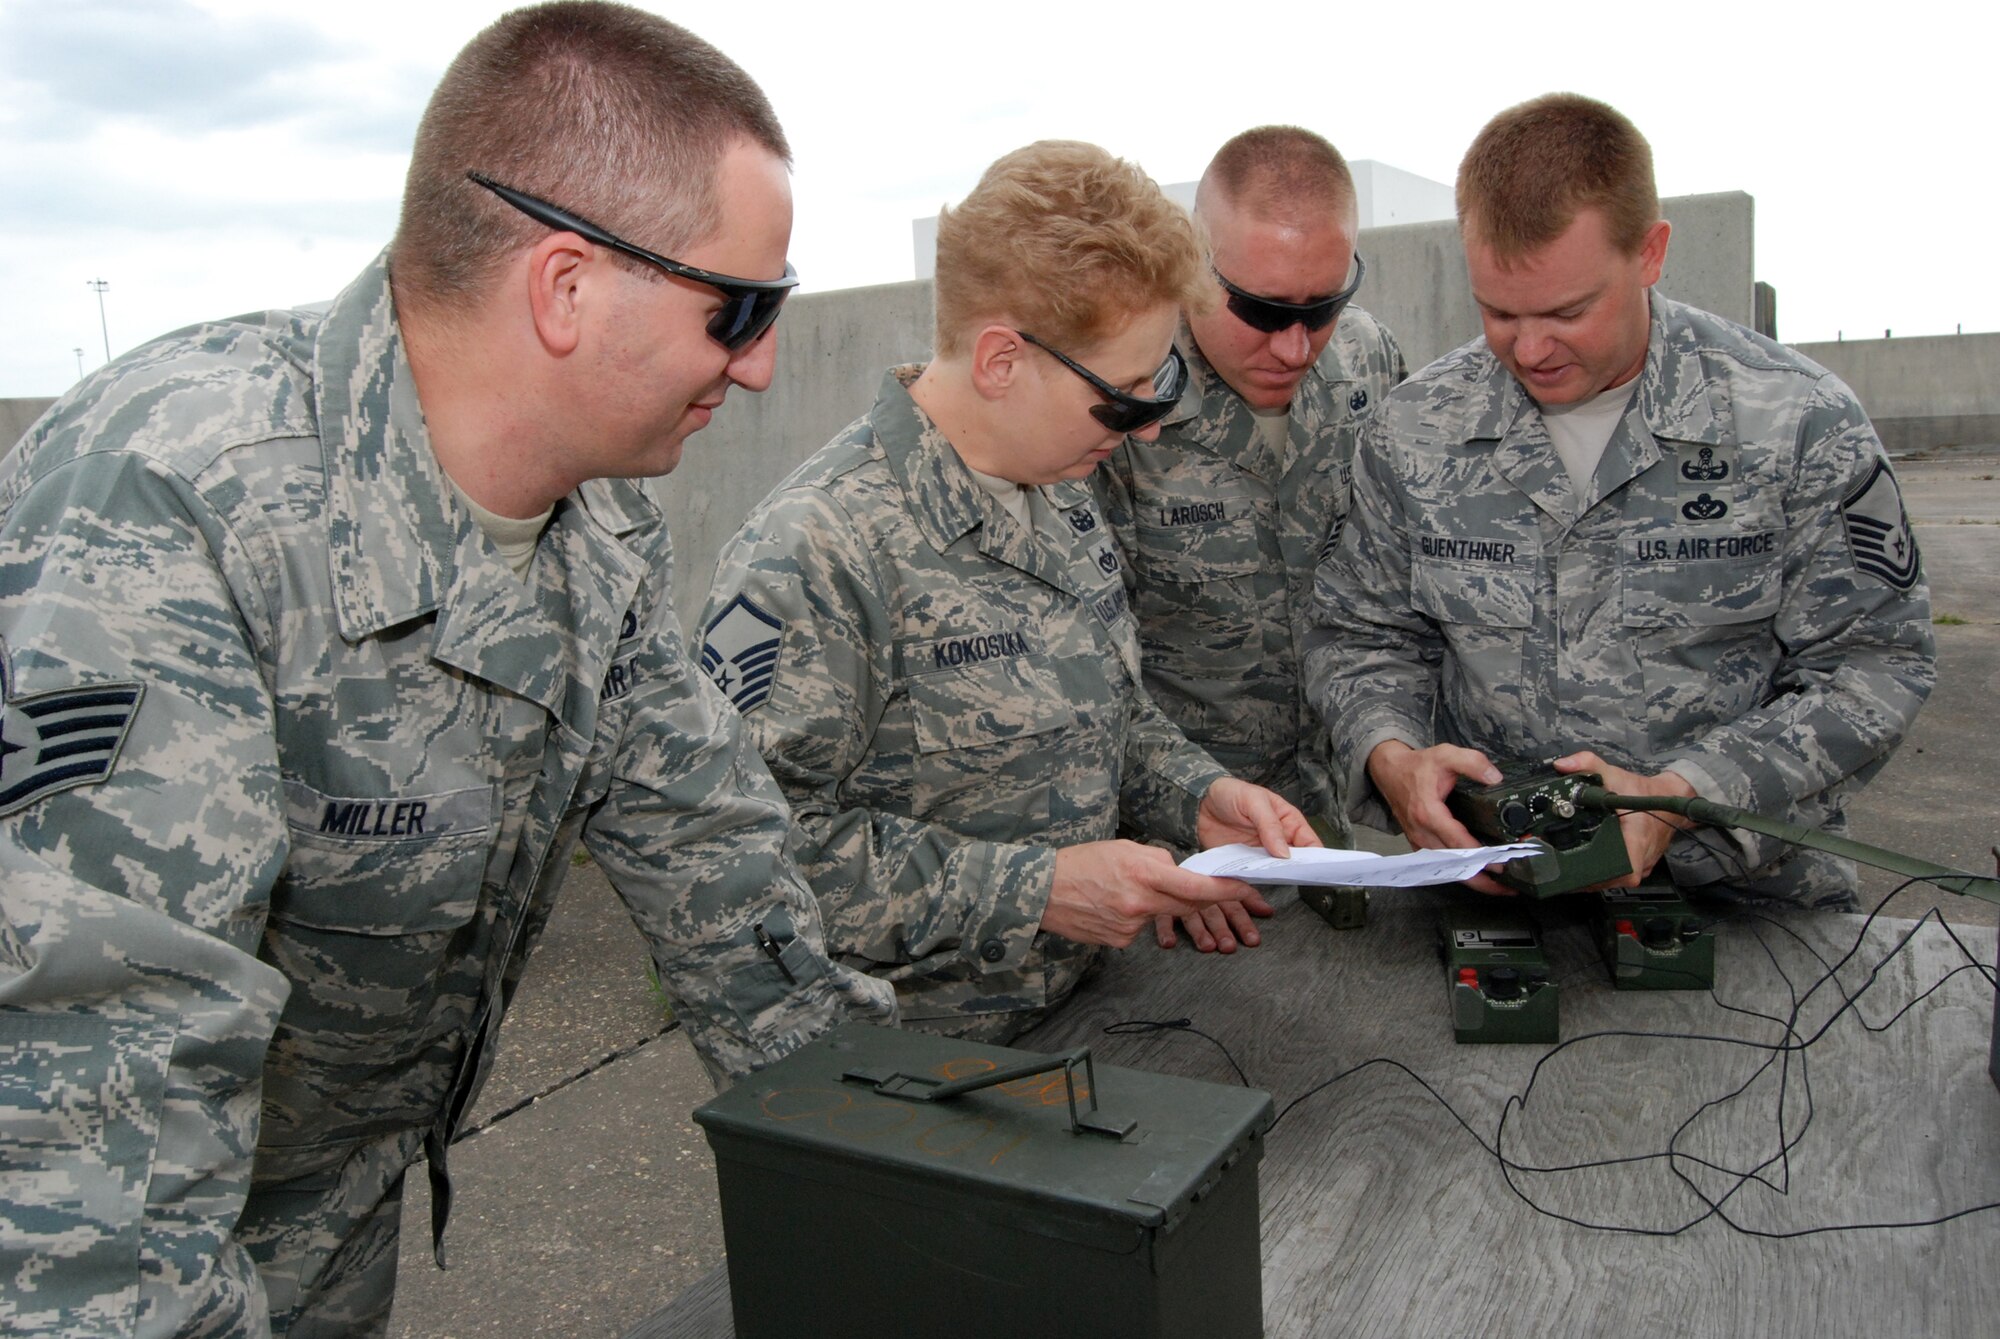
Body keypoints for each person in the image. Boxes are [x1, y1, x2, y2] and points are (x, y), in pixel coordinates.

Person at [0, 5, 896, 1334]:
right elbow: (88, 1128)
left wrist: (915, 1166)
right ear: (567, 285)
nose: (764, 364)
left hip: (322, 1215)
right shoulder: (167, 506)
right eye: (741, 309)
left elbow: (715, 860)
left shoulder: (595, 540)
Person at [698, 141, 1315, 1040]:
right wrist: (1041, 891)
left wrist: (1199, 793)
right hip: (904, 1073)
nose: (1148, 425)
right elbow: (742, 864)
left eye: (1163, 383)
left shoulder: (1060, 487)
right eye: (1125, 397)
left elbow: (1110, 710)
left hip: (1085, 1015)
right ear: (1000, 360)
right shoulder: (816, 552)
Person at [1302, 93, 1934, 909]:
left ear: (1650, 252)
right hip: (1493, 898)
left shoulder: (1796, 422)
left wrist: (1682, 794)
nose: (1529, 349)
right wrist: (1393, 758)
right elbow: (1358, 635)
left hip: (1742, 906)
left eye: (1568, 311)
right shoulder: (1416, 430)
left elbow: (1875, 664)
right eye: (1497, 311)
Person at [1099, 127, 1405, 849]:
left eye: (1323, 307)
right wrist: (1177, 826)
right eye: (1264, 312)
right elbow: (1093, 674)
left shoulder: (1368, 363)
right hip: (1180, 841)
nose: (1296, 346)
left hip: (1331, 822)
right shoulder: (1123, 397)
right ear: (1195, 270)